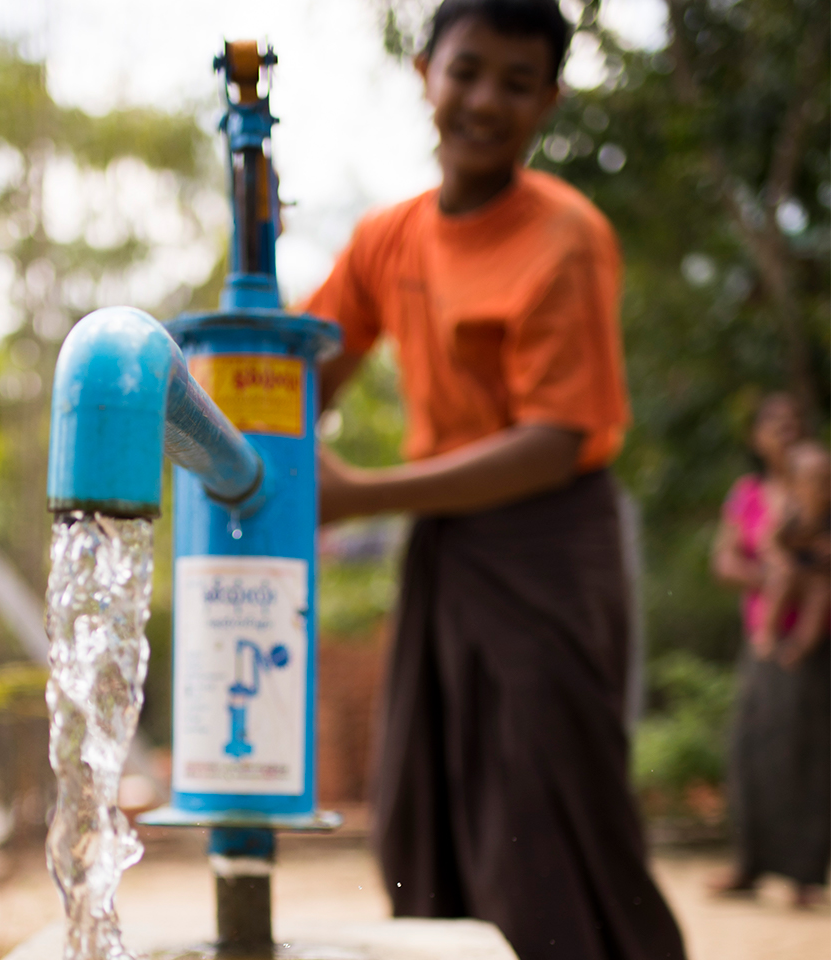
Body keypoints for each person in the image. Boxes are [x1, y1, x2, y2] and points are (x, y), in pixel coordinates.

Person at [302, 0, 687, 957]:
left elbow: (554, 441)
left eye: (517, 84)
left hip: (550, 543)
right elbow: (301, 372)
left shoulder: (566, 237)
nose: (484, 101)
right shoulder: (388, 239)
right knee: (418, 803)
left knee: (547, 806)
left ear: (549, 100)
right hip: (450, 546)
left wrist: (355, 495)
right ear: (425, 67)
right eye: (466, 71)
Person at [711, 394, 830, 909]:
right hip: (763, 636)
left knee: (810, 752)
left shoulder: (823, 485)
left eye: (794, 422)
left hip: (817, 642)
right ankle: (750, 862)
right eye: (774, 423)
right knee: (750, 746)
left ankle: (805, 872)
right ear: (756, 438)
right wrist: (774, 575)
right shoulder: (751, 494)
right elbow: (726, 562)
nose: (785, 430)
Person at [754, 440, 831, 666]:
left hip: (816, 574)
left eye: (829, 481)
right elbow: (767, 541)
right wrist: (780, 560)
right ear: (796, 486)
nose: (826, 490)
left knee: (821, 593)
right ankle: (765, 634)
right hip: (791, 569)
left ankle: (799, 647)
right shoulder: (789, 515)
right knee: (782, 580)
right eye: (817, 482)